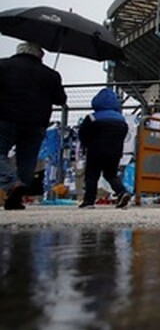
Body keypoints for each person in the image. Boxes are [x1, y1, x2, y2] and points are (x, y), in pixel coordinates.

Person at [0, 42, 67, 210]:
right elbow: (61, 99)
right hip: (36, 122)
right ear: (40, 55)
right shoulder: (50, 74)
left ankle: (12, 183)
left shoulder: (3, 65)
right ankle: (17, 198)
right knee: (27, 160)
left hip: (5, 118)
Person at [78, 88, 131, 209]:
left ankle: (89, 201)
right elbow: (123, 135)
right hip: (114, 152)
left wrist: (86, 145)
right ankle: (122, 192)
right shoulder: (121, 119)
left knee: (92, 175)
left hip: (95, 151)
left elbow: (83, 134)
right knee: (111, 174)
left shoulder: (92, 117)